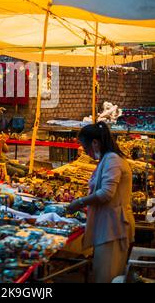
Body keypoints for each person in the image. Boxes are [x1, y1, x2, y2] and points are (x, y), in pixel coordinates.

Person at [67, 121, 135, 283]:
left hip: (113, 228)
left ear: (95, 143)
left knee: (107, 276)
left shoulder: (112, 160)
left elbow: (106, 193)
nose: (86, 152)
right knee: (102, 274)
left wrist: (80, 202)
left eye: (85, 147)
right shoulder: (107, 159)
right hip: (108, 227)